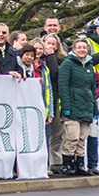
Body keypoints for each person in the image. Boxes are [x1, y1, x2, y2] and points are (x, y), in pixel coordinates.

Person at [58, 37, 98, 176]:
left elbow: (93, 88)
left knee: (82, 138)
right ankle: (67, 164)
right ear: (73, 50)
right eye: (79, 47)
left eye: (84, 47)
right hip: (72, 106)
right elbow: (63, 86)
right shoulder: (67, 64)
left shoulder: (89, 66)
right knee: (72, 137)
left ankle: (80, 164)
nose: (82, 50)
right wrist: (66, 106)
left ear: (87, 50)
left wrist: (95, 108)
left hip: (86, 107)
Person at [42, 34, 67, 173]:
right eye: (48, 43)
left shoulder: (61, 59)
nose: (50, 46)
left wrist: (51, 56)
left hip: (56, 96)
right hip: (43, 94)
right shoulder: (37, 55)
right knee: (46, 130)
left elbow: (55, 73)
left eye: (54, 44)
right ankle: (44, 161)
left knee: (57, 130)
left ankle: (56, 161)